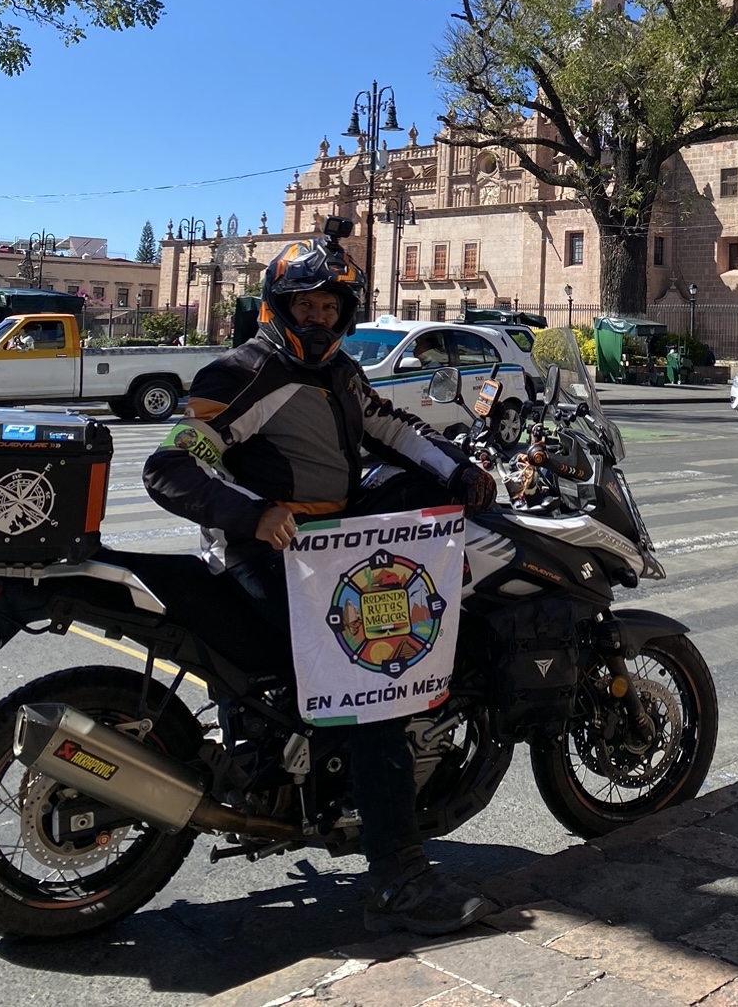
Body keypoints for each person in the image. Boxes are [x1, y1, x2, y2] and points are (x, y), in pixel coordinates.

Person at [143, 226, 495, 937]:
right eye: (305, 305)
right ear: (278, 306)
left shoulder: (338, 373)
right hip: (264, 552)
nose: (318, 317)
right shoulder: (246, 372)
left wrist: (458, 470)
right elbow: (172, 463)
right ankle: (396, 877)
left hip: (326, 552)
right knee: (376, 685)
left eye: (330, 307)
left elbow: (391, 428)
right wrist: (255, 514)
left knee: (399, 501)